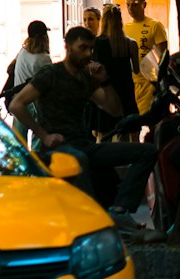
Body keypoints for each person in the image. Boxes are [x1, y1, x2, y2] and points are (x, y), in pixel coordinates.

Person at [10, 25, 157, 224]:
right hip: (59, 148)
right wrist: (44, 135)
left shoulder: (85, 79)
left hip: (85, 145)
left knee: (147, 152)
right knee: (79, 159)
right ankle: (93, 220)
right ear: (68, 48)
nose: (88, 53)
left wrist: (104, 81)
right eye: (83, 48)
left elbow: (114, 110)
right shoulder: (50, 74)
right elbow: (16, 104)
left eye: (90, 48)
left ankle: (120, 210)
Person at [92, 5, 140, 127]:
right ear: (120, 21)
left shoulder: (97, 43)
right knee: (129, 132)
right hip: (126, 93)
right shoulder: (130, 43)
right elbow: (136, 70)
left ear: (104, 21)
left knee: (103, 136)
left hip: (106, 94)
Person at [123, 0, 168, 118]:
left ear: (144, 5)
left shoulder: (155, 26)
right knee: (132, 123)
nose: (131, 8)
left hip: (150, 83)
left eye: (135, 4)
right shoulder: (125, 28)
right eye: (128, 5)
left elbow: (163, 56)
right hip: (131, 83)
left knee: (152, 121)